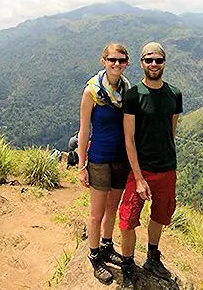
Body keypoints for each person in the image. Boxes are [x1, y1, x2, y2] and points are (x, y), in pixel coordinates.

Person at [118, 42, 182, 289]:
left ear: (164, 62)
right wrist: (138, 176)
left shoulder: (174, 94)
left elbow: (171, 130)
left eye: (158, 60)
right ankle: (127, 265)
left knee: (161, 214)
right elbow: (129, 138)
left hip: (167, 168)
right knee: (128, 219)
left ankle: (153, 257)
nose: (153, 64)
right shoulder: (133, 95)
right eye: (148, 60)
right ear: (142, 63)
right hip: (141, 170)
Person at [76, 43, 132, 284]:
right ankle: (94, 255)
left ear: (127, 62)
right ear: (103, 61)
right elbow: (84, 129)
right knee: (96, 213)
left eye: (121, 60)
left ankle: (107, 245)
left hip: (121, 158)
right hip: (99, 158)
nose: (116, 64)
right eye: (112, 60)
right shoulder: (92, 92)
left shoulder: (128, 91)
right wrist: (81, 165)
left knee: (112, 208)